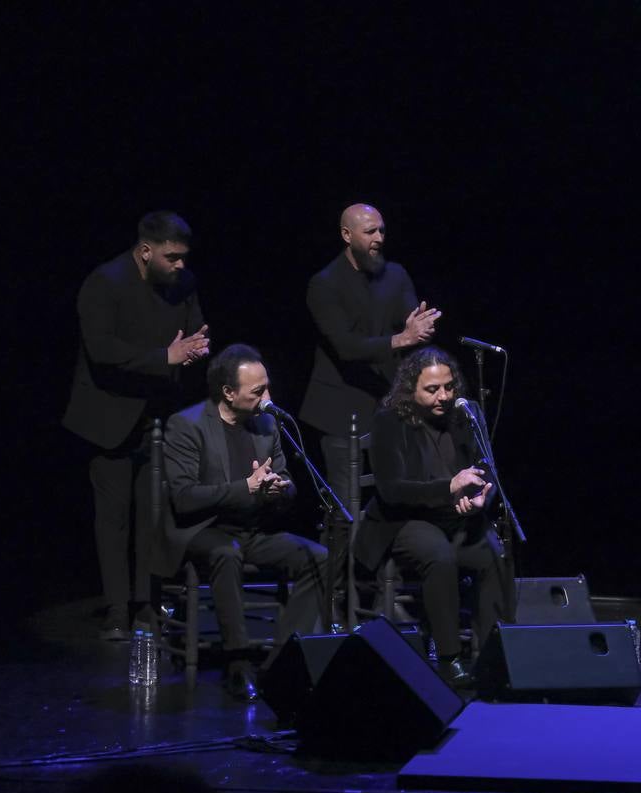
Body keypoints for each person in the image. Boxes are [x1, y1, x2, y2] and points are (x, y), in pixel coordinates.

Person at [62, 211, 212, 640]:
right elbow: (102, 350)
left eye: (184, 257)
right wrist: (165, 357)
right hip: (109, 417)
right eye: (172, 257)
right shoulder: (104, 283)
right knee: (114, 519)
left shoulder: (183, 284)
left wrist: (196, 349)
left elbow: (194, 334)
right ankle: (116, 608)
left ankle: (146, 603)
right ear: (146, 252)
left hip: (159, 418)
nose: (180, 265)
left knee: (152, 517)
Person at [154, 344, 329, 700]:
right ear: (228, 393)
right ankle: (237, 662)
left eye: (267, 387)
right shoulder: (187, 425)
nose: (268, 397)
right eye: (258, 391)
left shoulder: (267, 425)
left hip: (254, 530)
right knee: (226, 553)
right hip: (203, 529)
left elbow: (289, 482)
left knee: (320, 558)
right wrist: (246, 488)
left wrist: (279, 489)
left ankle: (283, 661)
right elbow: (185, 498)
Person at [353, 346, 513, 687]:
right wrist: (449, 488)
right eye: (432, 389)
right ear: (412, 388)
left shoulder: (467, 414)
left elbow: (487, 469)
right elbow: (392, 490)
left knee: (493, 554)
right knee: (438, 555)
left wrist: (481, 497)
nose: (443, 395)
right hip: (403, 520)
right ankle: (449, 658)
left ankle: (490, 658)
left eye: (449, 386)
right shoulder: (390, 420)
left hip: (456, 519)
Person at [300, 203, 442, 511]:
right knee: (346, 504)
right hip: (340, 409)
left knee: (398, 492)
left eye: (382, 231)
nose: (379, 237)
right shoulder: (324, 284)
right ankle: (342, 558)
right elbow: (346, 347)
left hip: (387, 402)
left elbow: (409, 320)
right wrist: (402, 337)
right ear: (346, 235)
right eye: (370, 232)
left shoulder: (395, 274)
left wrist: (419, 325)